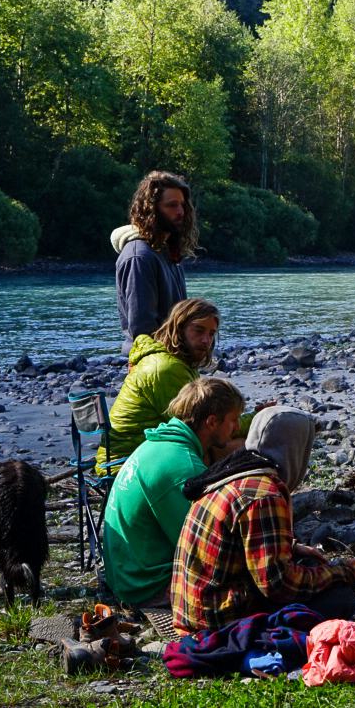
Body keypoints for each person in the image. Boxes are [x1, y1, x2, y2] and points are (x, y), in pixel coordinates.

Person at [171, 407, 355, 635]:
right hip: (217, 622)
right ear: (294, 449)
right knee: (341, 599)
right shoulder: (265, 495)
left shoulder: (232, 472)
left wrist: (290, 548)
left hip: (194, 606)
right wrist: (339, 572)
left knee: (312, 569)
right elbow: (277, 585)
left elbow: (237, 541)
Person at [101, 378, 247, 609]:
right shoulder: (183, 467)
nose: (237, 427)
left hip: (125, 575)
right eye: (233, 420)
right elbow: (206, 549)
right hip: (146, 586)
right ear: (211, 422)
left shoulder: (160, 443)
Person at [101, 298, 220, 474]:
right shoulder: (165, 369)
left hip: (141, 452)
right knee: (234, 446)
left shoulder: (176, 362)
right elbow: (198, 427)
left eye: (211, 334)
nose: (206, 340)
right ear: (178, 329)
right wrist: (258, 420)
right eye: (199, 330)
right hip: (127, 464)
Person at [112, 171, 197, 353]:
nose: (181, 212)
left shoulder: (168, 252)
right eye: (172, 205)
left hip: (173, 357)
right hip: (153, 361)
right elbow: (143, 329)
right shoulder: (140, 257)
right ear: (151, 210)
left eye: (182, 205)